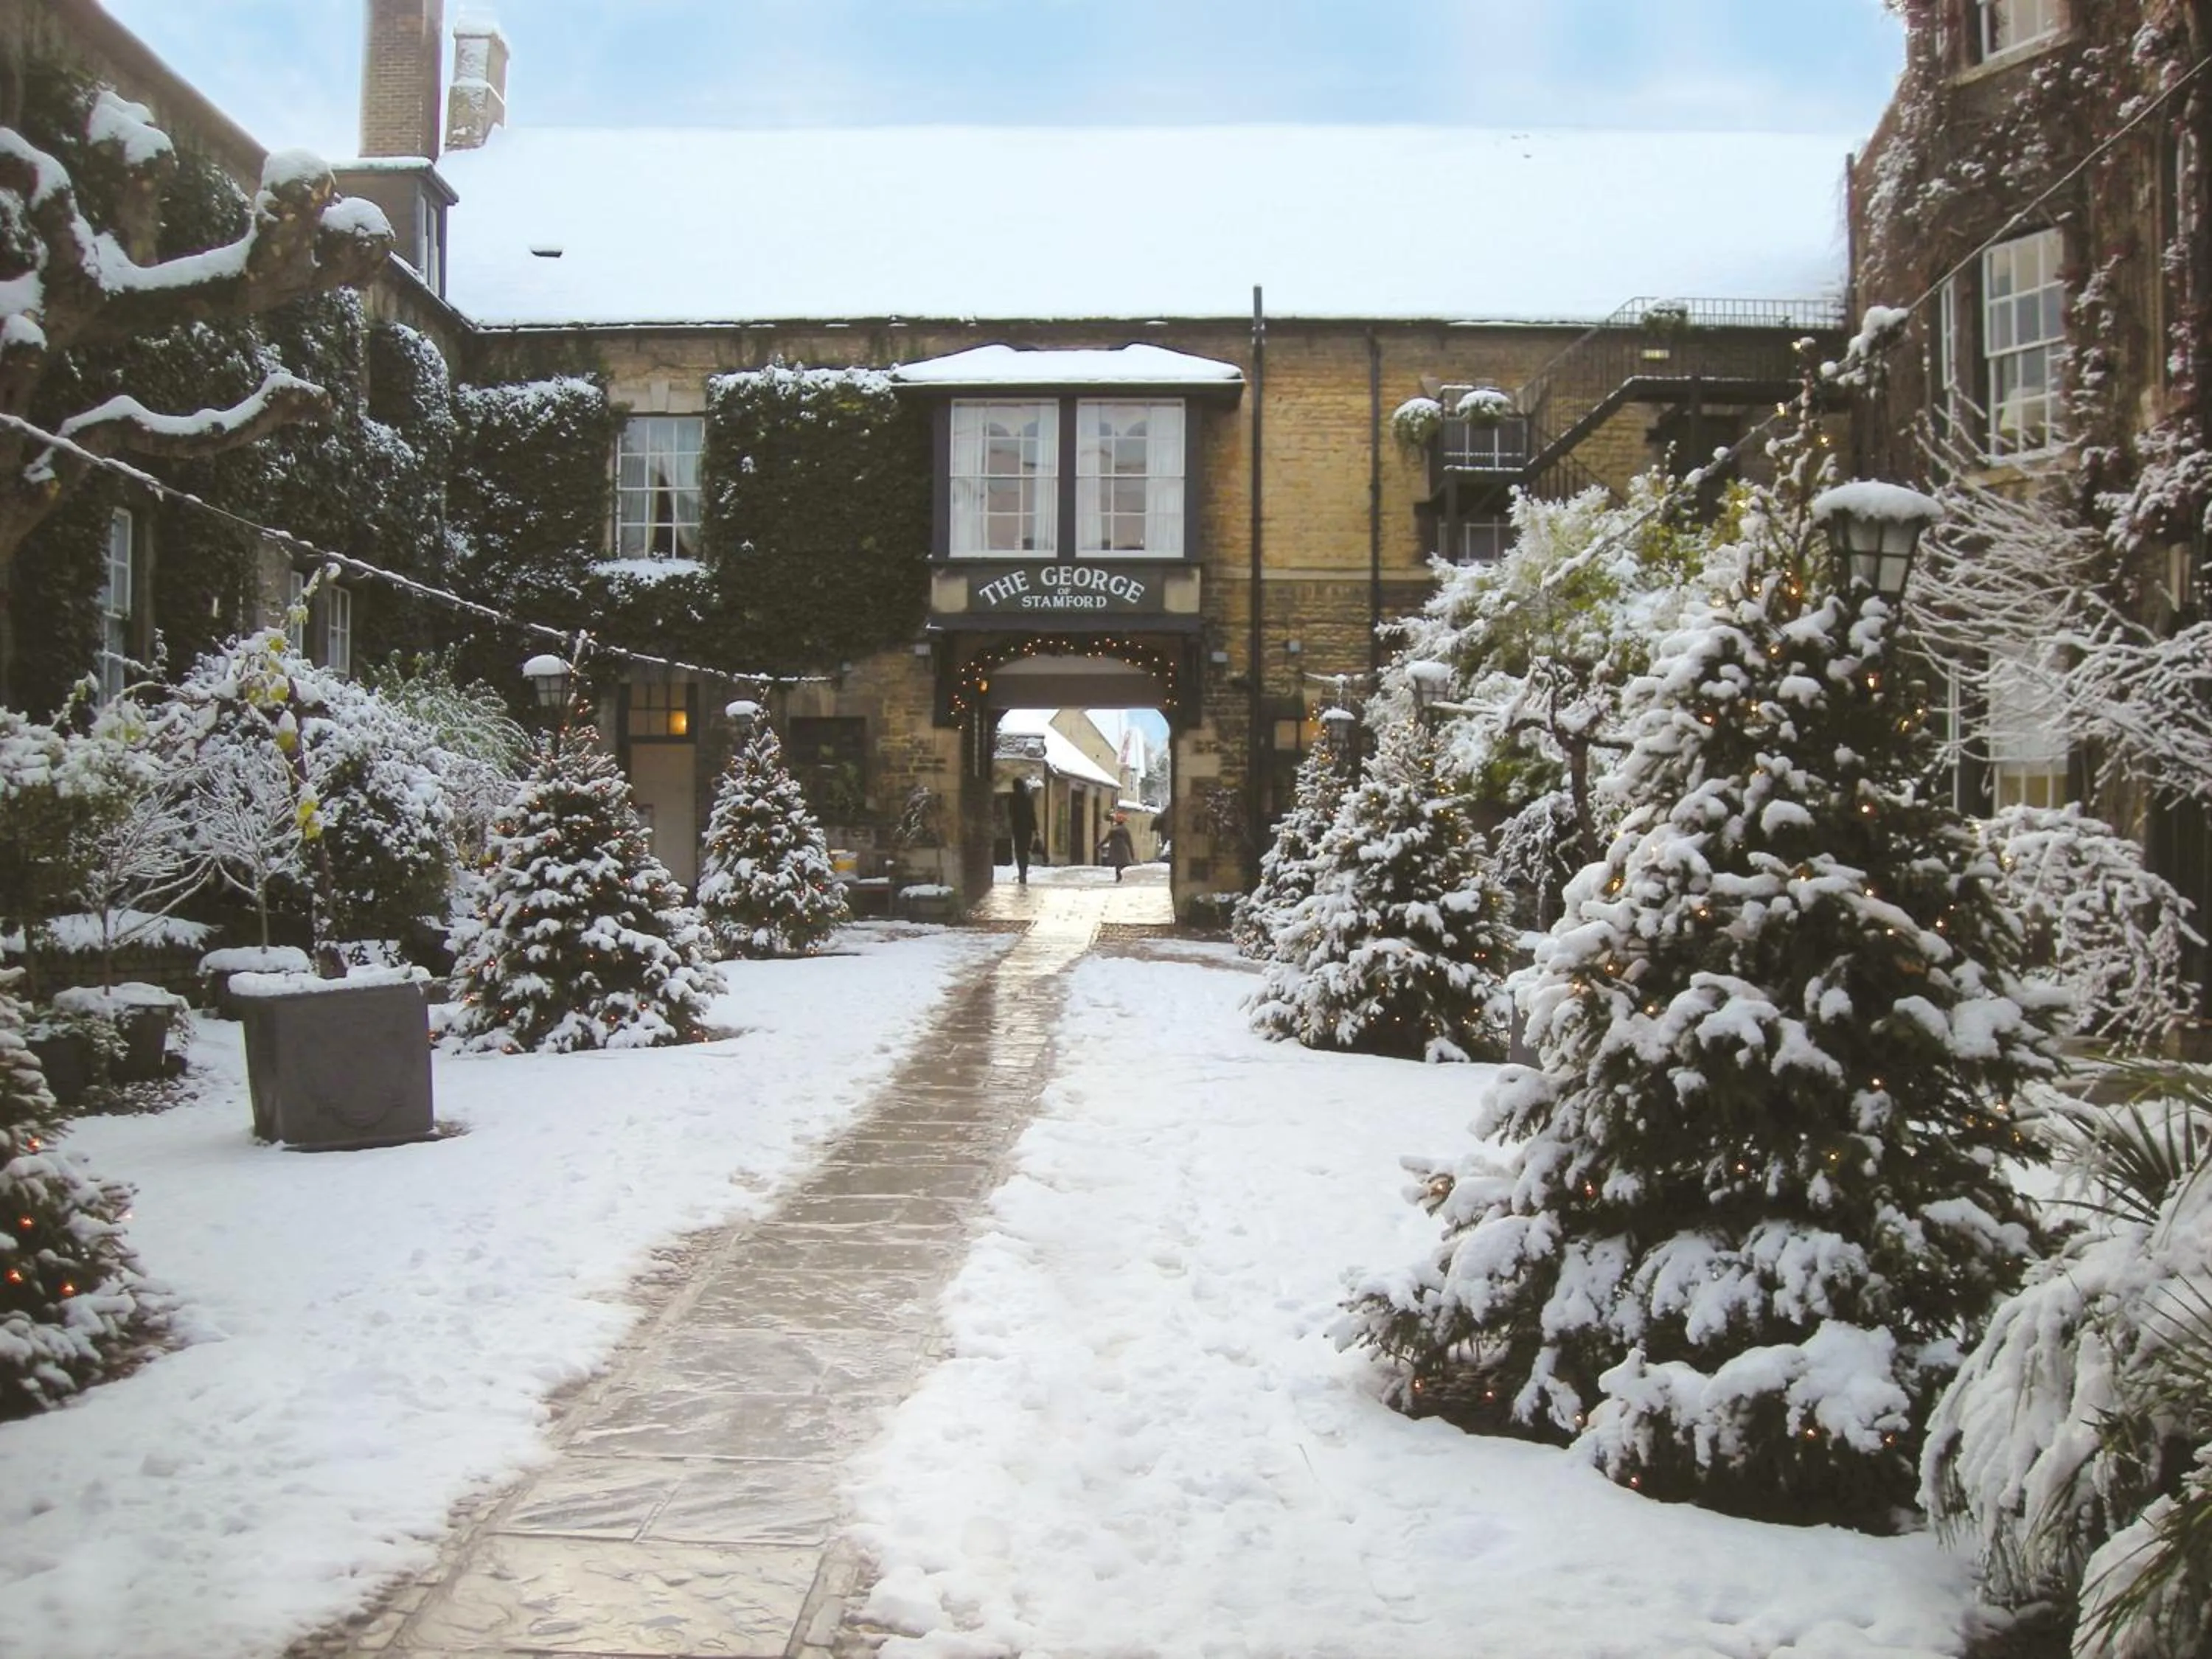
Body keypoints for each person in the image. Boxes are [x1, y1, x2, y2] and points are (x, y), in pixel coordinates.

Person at [1007, 778, 1037, 886]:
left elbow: (1010, 812)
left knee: (1019, 851)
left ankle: (1021, 871)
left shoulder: (1013, 798)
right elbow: (1032, 814)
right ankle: (1024, 872)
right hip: (1027, 828)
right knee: (1025, 851)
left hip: (1017, 828)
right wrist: (1035, 828)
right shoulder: (1028, 798)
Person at [1102, 813, 1135, 882]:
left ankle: (1118, 873)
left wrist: (1099, 845)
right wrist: (1132, 851)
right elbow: (1129, 841)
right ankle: (1119, 873)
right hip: (1123, 848)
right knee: (1124, 863)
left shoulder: (1113, 830)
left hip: (1114, 848)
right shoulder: (1125, 830)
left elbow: (1107, 839)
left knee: (1117, 863)